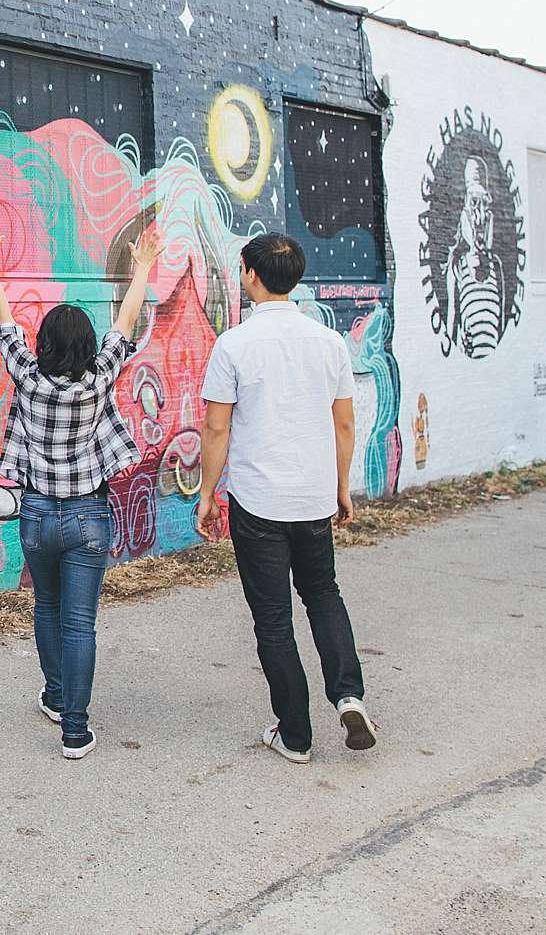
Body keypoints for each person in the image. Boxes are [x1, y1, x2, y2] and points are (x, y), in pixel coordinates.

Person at [0, 220, 162, 759]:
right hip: (88, 517)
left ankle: (56, 696)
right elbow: (124, 324)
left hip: (36, 515)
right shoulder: (100, 377)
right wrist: (144, 264)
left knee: (47, 607)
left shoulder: (28, 379)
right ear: (85, 348)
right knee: (80, 621)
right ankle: (74, 729)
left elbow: (1, 315)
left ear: (44, 344)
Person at [195, 232, 376, 764]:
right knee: (323, 594)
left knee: (273, 619)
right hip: (315, 497)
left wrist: (207, 494)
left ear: (250, 275)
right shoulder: (329, 342)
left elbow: (215, 428)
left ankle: (295, 736)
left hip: (259, 503)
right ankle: (348, 694)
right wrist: (341, 486)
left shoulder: (234, 344)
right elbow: (344, 423)